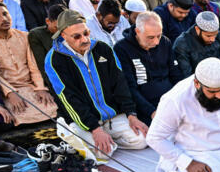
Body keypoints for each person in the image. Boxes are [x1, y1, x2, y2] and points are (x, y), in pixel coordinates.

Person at [45, 9, 148, 158]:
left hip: (110, 116)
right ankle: (69, 132)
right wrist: (94, 129)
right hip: (81, 119)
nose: (84, 39)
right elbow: (69, 98)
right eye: (77, 36)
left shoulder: (102, 48)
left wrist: (131, 114)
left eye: (86, 33)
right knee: (105, 153)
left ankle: (106, 138)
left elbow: (120, 83)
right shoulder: (54, 60)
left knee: (142, 140)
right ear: (63, 36)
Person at [0, 1, 57, 125]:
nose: (4, 19)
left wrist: (40, 88)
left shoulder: (25, 36)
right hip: (7, 91)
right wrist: (10, 93)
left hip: (30, 86)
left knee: (52, 108)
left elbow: (33, 66)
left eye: (5, 14)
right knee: (17, 115)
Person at [114, 11, 184, 125]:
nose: (156, 42)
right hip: (145, 106)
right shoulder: (122, 48)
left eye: (159, 35)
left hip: (170, 100)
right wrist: (151, 112)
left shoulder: (164, 42)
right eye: (150, 37)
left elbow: (176, 75)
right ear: (138, 31)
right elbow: (129, 87)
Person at [173, 10, 220, 77]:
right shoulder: (182, 44)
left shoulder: (218, 35)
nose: (213, 39)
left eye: (215, 35)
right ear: (197, 29)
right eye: (208, 36)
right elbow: (187, 75)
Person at [29, 4, 66, 89]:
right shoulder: (36, 35)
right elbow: (43, 66)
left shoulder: (69, 31)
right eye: (57, 27)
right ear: (48, 21)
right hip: (56, 80)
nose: (60, 31)